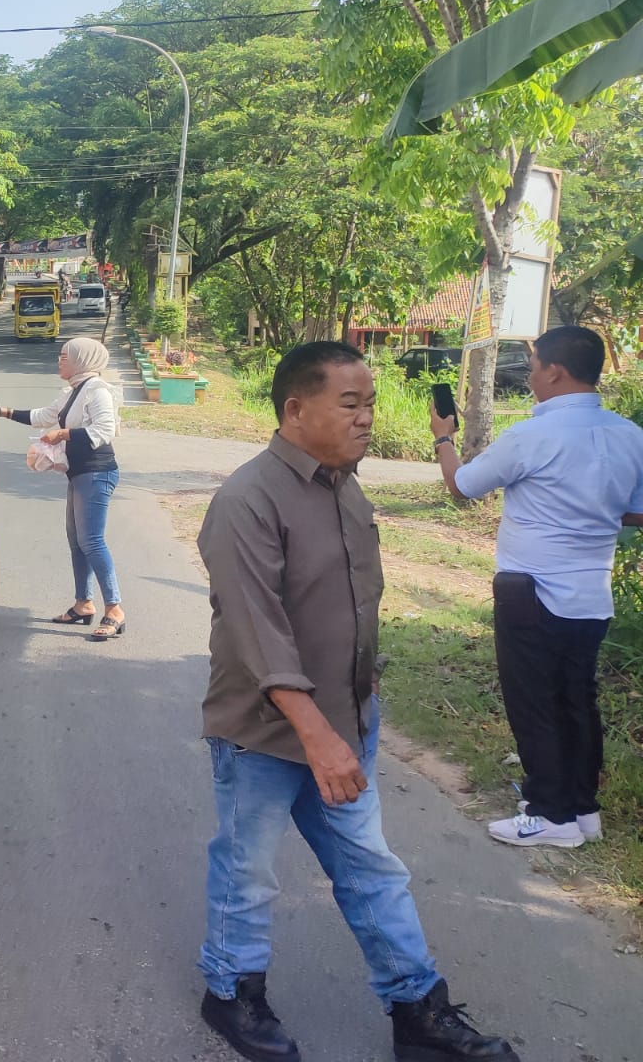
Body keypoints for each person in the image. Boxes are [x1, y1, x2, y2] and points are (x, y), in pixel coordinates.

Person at [196, 341, 516, 1062]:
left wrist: (360, 696)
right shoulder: (247, 500)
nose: (367, 418)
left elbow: (355, 601)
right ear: (295, 409)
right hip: (264, 735)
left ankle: (418, 1010)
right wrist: (317, 735)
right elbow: (259, 634)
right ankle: (229, 993)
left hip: (346, 724)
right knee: (247, 869)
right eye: (352, 404)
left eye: (370, 404)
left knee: (372, 868)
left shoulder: (344, 484)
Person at [431, 325, 643, 849]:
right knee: (577, 700)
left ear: (554, 371)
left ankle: (550, 815)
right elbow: (637, 512)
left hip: (533, 594)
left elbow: (462, 488)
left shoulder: (531, 436)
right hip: (591, 596)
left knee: (534, 703)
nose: (530, 378)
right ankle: (582, 810)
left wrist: (443, 438)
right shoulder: (630, 435)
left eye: (532, 368)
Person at [0, 337, 124, 641]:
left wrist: (62, 434)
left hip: (97, 473)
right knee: (77, 542)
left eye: (65, 356)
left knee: (92, 541)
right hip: (79, 474)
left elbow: (103, 430)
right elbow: (43, 416)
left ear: (83, 359)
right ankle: (83, 604)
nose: (59, 361)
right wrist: (3, 411)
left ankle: (114, 609)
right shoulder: (74, 391)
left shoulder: (97, 391)